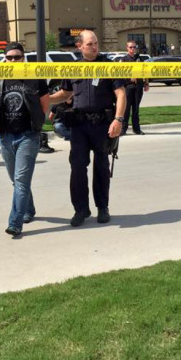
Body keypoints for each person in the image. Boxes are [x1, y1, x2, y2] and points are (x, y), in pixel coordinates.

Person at [49, 30, 126, 227]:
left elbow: (121, 93)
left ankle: (103, 207)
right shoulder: (73, 68)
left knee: (101, 167)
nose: (94, 46)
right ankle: (81, 210)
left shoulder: (108, 66)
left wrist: (118, 119)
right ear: (79, 46)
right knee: (77, 168)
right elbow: (66, 93)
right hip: (79, 125)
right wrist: (46, 100)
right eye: (90, 43)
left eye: (96, 43)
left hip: (102, 124)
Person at [0, 42, 49, 237]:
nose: (13, 60)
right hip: (5, 136)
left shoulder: (34, 77)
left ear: (23, 58)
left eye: (17, 57)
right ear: (4, 58)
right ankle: (28, 209)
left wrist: (36, 124)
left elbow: (44, 105)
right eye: (9, 57)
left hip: (27, 136)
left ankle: (15, 223)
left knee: (20, 180)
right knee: (16, 180)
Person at [120, 40, 149, 135]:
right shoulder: (124, 60)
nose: (133, 49)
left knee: (136, 109)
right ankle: (123, 129)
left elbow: (145, 71)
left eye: (134, 47)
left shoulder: (139, 59)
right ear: (127, 48)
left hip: (138, 87)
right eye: (130, 47)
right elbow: (120, 74)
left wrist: (146, 83)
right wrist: (130, 76)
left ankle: (136, 129)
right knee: (126, 109)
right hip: (128, 87)